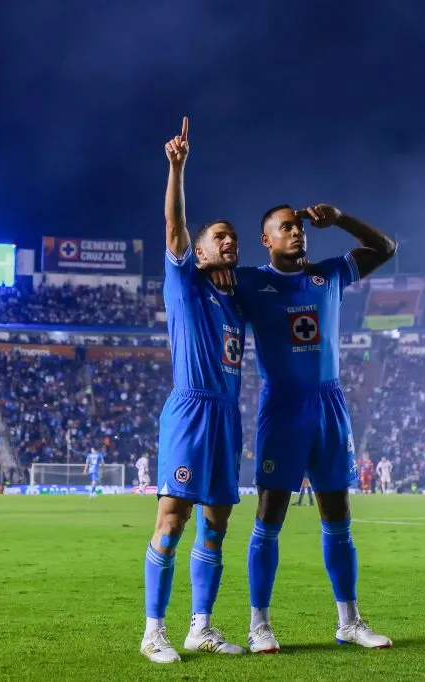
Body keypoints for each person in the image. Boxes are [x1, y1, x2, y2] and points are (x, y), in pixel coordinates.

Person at [227, 202, 396, 652]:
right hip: (282, 404)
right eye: (286, 227)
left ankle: (349, 622)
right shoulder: (249, 281)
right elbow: (201, 275)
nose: (297, 232)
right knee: (269, 515)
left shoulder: (329, 274)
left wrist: (340, 218)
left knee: (337, 514)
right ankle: (258, 624)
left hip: (329, 402)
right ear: (267, 240)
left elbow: (385, 247)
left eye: (300, 226)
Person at [140, 117, 245, 664]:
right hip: (190, 410)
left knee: (217, 524)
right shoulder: (185, 284)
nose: (229, 242)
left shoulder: (236, 303)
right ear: (200, 253)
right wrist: (177, 169)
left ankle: (199, 627)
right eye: (219, 238)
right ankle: (153, 630)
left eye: (233, 238)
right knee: (172, 519)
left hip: (228, 416)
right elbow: (174, 228)